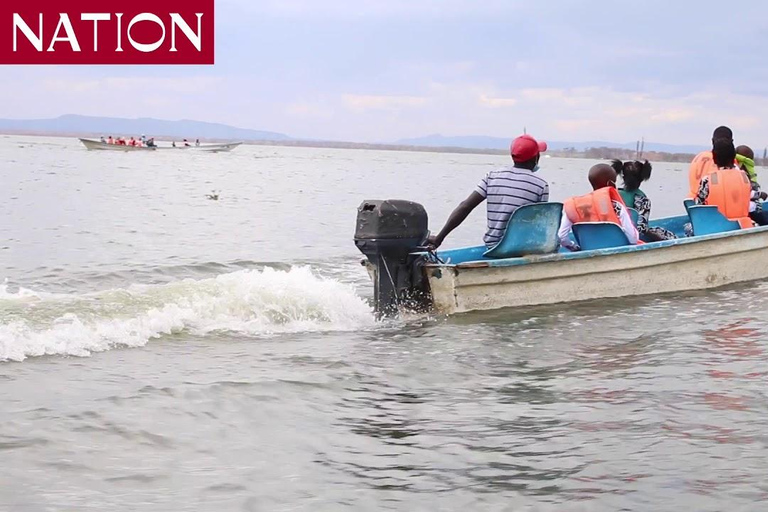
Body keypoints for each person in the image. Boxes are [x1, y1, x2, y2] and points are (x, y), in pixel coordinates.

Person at [427, 134, 550, 249]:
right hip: (521, 248)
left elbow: (465, 207)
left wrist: (439, 238)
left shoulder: (492, 176)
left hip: (493, 248)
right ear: (536, 157)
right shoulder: (541, 185)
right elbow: (538, 225)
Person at [558, 164, 639, 251]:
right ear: (610, 183)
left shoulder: (574, 206)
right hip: (616, 253)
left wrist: (574, 247)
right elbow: (633, 239)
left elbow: (561, 237)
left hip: (587, 252)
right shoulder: (617, 207)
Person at [692, 138, 755, 228]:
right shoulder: (745, 177)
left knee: (688, 227)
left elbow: (699, 208)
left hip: (716, 227)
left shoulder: (707, 180)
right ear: (734, 157)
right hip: (744, 226)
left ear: (714, 158)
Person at [611, 159, 676, 241]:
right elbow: (642, 229)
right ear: (642, 178)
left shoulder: (612, 194)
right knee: (669, 235)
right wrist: (658, 238)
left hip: (615, 234)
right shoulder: (642, 199)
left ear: (623, 177)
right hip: (634, 237)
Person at [688, 126, 736, 198]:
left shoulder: (698, 158)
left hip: (693, 205)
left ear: (712, 141)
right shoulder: (730, 162)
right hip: (719, 205)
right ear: (732, 142)